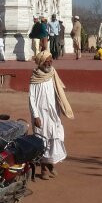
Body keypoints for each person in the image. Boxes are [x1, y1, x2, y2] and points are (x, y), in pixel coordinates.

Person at [28, 49, 73, 179]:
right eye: (47, 61)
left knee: (55, 137)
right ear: (41, 62)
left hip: (54, 113)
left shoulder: (53, 73)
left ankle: (50, 163)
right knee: (42, 140)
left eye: (51, 60)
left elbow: (59, 92)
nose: (49, 63)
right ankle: (43, 169)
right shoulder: (35, 78)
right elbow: (32, 98)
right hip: (41, 115)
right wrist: (36, 115)